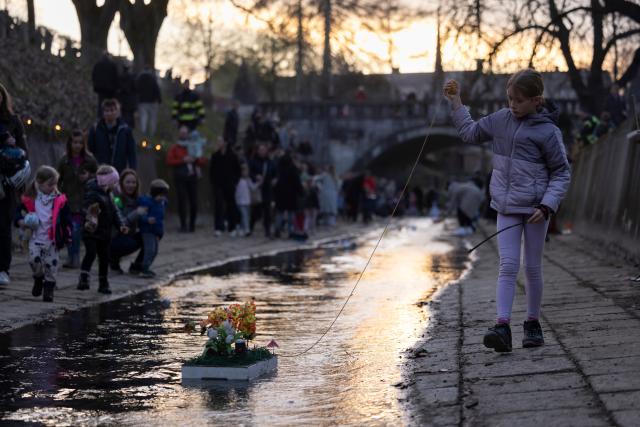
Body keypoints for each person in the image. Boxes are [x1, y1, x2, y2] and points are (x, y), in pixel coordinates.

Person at [444, 69, 571, 353]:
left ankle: (532, 323)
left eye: (519, 100)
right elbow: (469, 132)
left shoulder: (549, 132)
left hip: (537, 209)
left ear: (537, 100)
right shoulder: (500, 120)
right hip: (506, 206)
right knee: (508, 264)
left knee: (532, 266)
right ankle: (502, 326)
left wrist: (547, 204)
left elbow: (561, 172)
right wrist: (456, 101)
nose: (512, 105)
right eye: (509, 98)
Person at [15, 166, 71, 302]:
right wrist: (20, 221)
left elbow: (65, 220)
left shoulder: (59, 200)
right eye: (49, 184)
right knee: (34, 261)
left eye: (55, 184)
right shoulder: (31, 199)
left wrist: (67, 235)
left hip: (52, 240)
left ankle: (49, 290)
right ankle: (38, 278)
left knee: (51, 267)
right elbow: (17, 211)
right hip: (35, 238)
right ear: (39, 183)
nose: (53, 187)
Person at [78, 165, 128, 294]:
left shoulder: (109, 195)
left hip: (105, 233)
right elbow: (84, 208)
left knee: (104, 257)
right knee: (91, 253)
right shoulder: (92, 193)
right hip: (91, 231)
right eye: (114, 182)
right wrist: (90, 215)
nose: (116, 184)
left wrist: (121, 224)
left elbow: (115, 211)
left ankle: (103, 282)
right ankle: (84, 277)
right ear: (107, 183)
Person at [0, 83, 29, 286]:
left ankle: (3, 268)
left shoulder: (13, 121)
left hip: (6, 182)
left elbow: (24, 150)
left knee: (3, 226)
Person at [56, 129, 98, 268]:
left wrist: (88, 177)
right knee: (68, 230)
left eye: (80, 142)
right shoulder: (64, 160)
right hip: (68, 201)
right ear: (70, 143)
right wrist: (58, 195)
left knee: (76, 230)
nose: (77, 145)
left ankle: (76, 258)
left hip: (84, 201)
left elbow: (99, 177)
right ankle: (71, 257)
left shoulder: (89, 160)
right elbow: (57, 179)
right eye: (75, 142)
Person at [166, 126, 207, 232]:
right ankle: (183, 225)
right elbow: (169, 161)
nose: (183, 135)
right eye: (182, 133)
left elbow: (203, 160)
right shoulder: (175, 147)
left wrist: (195, 159)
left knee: (193, 201)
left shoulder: (195, 145)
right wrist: (183, 160)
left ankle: (192, 225)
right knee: (182, 201)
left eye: (185, 133)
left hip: (192, 177)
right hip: (180, 177)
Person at [110, 169, 145, 274]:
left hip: (128, 234)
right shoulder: (116, 198)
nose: (131, 185)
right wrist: (136, 213)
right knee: (129, 243)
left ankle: (137, 265)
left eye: (133, 182)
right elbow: (120, 221)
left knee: (152, 235)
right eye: (128, 182)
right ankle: (112, 260)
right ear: (122, 183)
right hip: (114, 237)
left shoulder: (138, 199)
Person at [88, 98, 137, 172]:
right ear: (103, 113)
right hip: (100, 170)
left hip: (119, 170)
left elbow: (131, 152)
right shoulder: (95, 129)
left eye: (112, 110)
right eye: (107, 111)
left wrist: (132, 170)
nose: (109, 113)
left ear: (117, 112)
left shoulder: (125, 130)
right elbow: (90, 150)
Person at [137, 179, 170, 278]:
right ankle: (144, 269)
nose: (162, 198)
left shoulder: (162, 202)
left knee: (155, 251)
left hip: (156, 231)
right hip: (147, 231)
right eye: (160, 195)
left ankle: (144, 267)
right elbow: (141, 215)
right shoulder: (146, 202)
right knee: (149, 250)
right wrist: (147, 219)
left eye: (164, 195)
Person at [209, 138, 241, 236]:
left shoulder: (232, 156)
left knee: (231, 205)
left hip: (230, 184)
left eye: (220, 142)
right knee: (218, 205)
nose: (219, 144)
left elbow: (237, 170)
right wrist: (214, 182)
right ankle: (218, 227)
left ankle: (232, 227)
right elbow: (212, 171)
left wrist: (234, 181)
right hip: (218, 184)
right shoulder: (215, 156)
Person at [249, 143, 276, 237]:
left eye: (264, 150)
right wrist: (255, 176)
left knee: (267, 211)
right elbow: (250, 172)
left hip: (267, 189)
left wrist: (274, 179)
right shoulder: (253, 161)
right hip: (257, 188)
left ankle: (267, 230)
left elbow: (275, 173)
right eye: (260, 150)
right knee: (256, 210)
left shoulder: (270, 162)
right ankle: (250, 227)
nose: (262, 152)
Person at [235, 163, 261, 236]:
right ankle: (247, 229)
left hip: (247, 201)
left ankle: (241, 228)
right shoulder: (238, 180)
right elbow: (236, 191)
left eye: (247, 171)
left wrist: (258, 183)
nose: (246, 173)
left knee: (246, 216)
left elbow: (253, 187)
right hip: (240, 202)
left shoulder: (248, 180)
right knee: (244, 215)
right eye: (244, 171)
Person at [136, 65, 162, 137]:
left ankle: (143, 132)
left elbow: (136, 89)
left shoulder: (139, 79)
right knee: (152, 119)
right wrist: (159, 100)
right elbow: (157, 89)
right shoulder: (153, 78)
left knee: (143, 118)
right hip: (152, 102)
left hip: (142, 101)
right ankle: (152, 134)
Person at [91, 52, 119, 117]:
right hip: (111, 90)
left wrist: (96, 86)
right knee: (110, 105)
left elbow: (94, 76)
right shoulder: (112, 65)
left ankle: (101, 117)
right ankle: (110, 116)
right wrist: (116, 88)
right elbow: (116, 77)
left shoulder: (97, 65)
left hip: (100, 89)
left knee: (101, 104)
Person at [117, 65, 138, 130]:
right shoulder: (132, 78)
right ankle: (129, 126)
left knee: (124, 112)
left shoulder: (120, 78)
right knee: (130, 113)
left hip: (123, 98)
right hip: (130, 99)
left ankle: (124, 125)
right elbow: (135, 88)